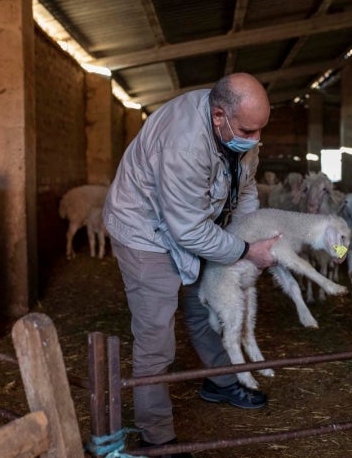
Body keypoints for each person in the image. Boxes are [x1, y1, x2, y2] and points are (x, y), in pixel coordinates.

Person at [103, 73, 279, 457]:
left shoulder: (239, 129)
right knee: (155, 337)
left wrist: (246, 234)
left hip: (195, 227)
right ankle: (157, 437)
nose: (255, 141)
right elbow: (189, 232)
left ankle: (218, 381)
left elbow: (245, 188)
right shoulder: (183, 145)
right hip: (145, 233)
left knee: (204, 306)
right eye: (248, 131)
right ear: (220, 117)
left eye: (260, 131)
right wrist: (245, 250)